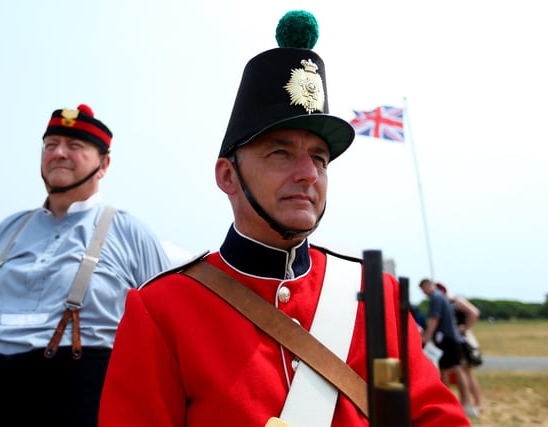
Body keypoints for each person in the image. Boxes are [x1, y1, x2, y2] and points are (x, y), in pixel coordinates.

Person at [99, 11, 469, 427]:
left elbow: (430, 416)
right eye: (281, 153)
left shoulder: (373, 293)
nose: (308, 173)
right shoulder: (162, 309)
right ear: (227, 176)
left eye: (319, 158)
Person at [0, 104, 171, 427]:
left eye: (75, 146)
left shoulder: (130, 232)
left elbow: (165, 327)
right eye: (50, 145)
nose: (59, 153)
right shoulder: (9, 229)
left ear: (104, 164)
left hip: (76, 396)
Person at [419, 279, 476, 418]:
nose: (423, 293)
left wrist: (426, 336)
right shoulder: (440, 296)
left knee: (453, 369)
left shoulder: (436, 297)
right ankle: (458, 402)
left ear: (427, 286)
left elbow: (434, 319)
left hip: (447, 339)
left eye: (423, 289)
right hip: (450, 338)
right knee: (447, 369)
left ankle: (461, 403)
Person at [436, 283, 484, 413]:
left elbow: (474, 313)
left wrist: (464, 328)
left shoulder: (457, 301)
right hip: (459, 339)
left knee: (466, 371)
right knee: (464, 372)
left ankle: (476, 403)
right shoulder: (449, 303)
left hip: (464, 340)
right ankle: (473, 403)